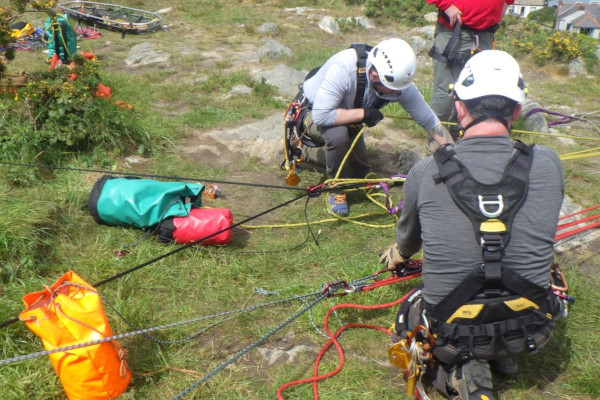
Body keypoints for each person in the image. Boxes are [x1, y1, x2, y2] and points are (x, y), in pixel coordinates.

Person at [380, 50, 564, 399]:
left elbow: (408, 242)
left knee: (411, 311)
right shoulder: (548, 163)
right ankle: (504, 354)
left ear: (459, 108)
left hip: (452, 332)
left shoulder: (426, 170)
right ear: (516, 111)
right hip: (533, 325)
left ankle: (461, 369)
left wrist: (398, 254)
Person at [297, 38, 453, 216]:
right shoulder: (344, 68)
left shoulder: (398, 83)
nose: (395, 95)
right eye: (390, 90)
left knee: (361, 175)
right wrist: (363, 114)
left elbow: (428, 120)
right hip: (312, 114)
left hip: (347, 118)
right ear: (374, 75)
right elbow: (322, 115)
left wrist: (452, 155)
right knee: (339, 137)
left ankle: (335, 158)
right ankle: (336, 189)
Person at [427, 0, 514, 138]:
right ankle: (437, 144)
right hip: (455, 32)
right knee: (445, 92)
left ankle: (462, 139)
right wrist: (446, 5)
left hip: (485, 34)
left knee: (475, 91)